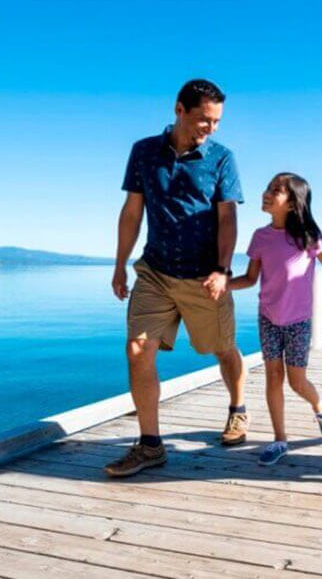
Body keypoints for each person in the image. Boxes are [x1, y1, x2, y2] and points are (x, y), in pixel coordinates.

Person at [104, 79, 250, 478]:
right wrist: (119, 264)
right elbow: (132, 212)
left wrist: (222, 270)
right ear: (179, 109)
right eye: (205, 119)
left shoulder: (222, 158)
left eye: (217, 121)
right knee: (137, 350)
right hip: (155, 271)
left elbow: (227, 217)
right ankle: (151, 445)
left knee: (222, 349)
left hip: (205, 277)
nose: (211, 128)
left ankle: (237, 409)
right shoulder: (144, 152)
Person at [230, 173, 322, 466]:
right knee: (273, 377)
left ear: (293, 204)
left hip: (298, 322)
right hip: (268, 317)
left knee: (296, 381)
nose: (267, 193)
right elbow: (250, 278)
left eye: (276, 190)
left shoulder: (307, 237)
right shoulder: (260, 237)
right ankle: (280, 439)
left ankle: (320, 404)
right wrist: (223, 284)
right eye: (268, 187)